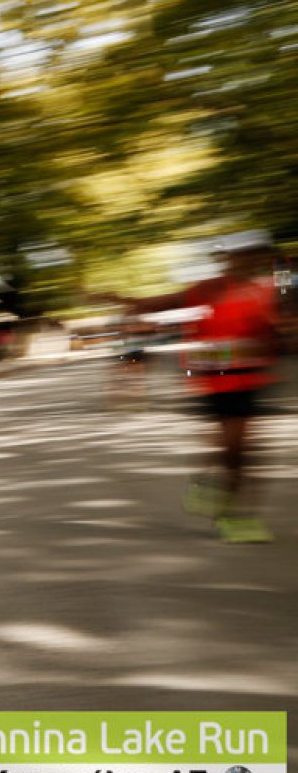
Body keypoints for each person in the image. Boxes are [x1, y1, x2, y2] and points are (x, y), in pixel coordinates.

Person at [111, 232, 282, 543]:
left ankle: (230, 509)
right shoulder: (210, 288)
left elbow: (275, 330)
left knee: (242, 450)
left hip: (251, 378)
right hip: (215, 379)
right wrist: (120, 300)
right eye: (243, 254)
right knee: (230, 448)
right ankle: (224, 506)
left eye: (255, 254)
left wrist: (275, 337)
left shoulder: (267, 289)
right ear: (230, 258)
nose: (250, 259)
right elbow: (162, 302)